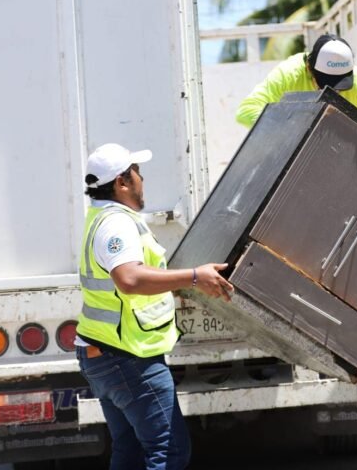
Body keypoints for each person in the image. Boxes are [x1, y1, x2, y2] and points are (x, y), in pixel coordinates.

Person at [75, 143, 235, 470]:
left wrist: (173, 284)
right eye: (137, 173)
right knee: (168, 451)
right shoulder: (117, 223)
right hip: (128, 357)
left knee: (131, 451)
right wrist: (192, 277)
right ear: (122, 182)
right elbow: (129, 279)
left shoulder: (103, 217)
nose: (142, 179)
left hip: (108, 353)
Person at [235, 33, 357, 141]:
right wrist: (295, 128)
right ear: (309, 68)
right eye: (326, 83)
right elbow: (246, 111)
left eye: (340, 85)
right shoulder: (290, 74)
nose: (333, 92)